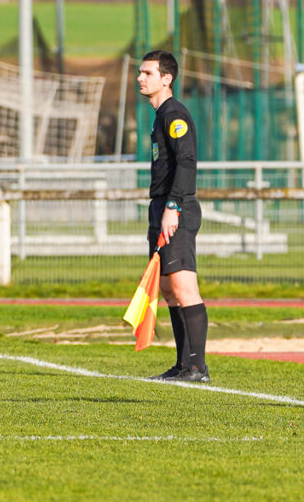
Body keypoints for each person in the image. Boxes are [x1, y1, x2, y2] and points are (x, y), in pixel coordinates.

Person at [137, 50, 209, 383]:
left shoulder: (174, 114)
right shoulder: (159, 115)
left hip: (175, 208)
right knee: (167, 289)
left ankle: (198, 367)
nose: (141, 78)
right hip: (161, 207)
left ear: (166, 79)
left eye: (148, 73)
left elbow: (187, 162)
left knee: (183, 287)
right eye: (140, 73)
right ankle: (183, 366)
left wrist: (173, 207)